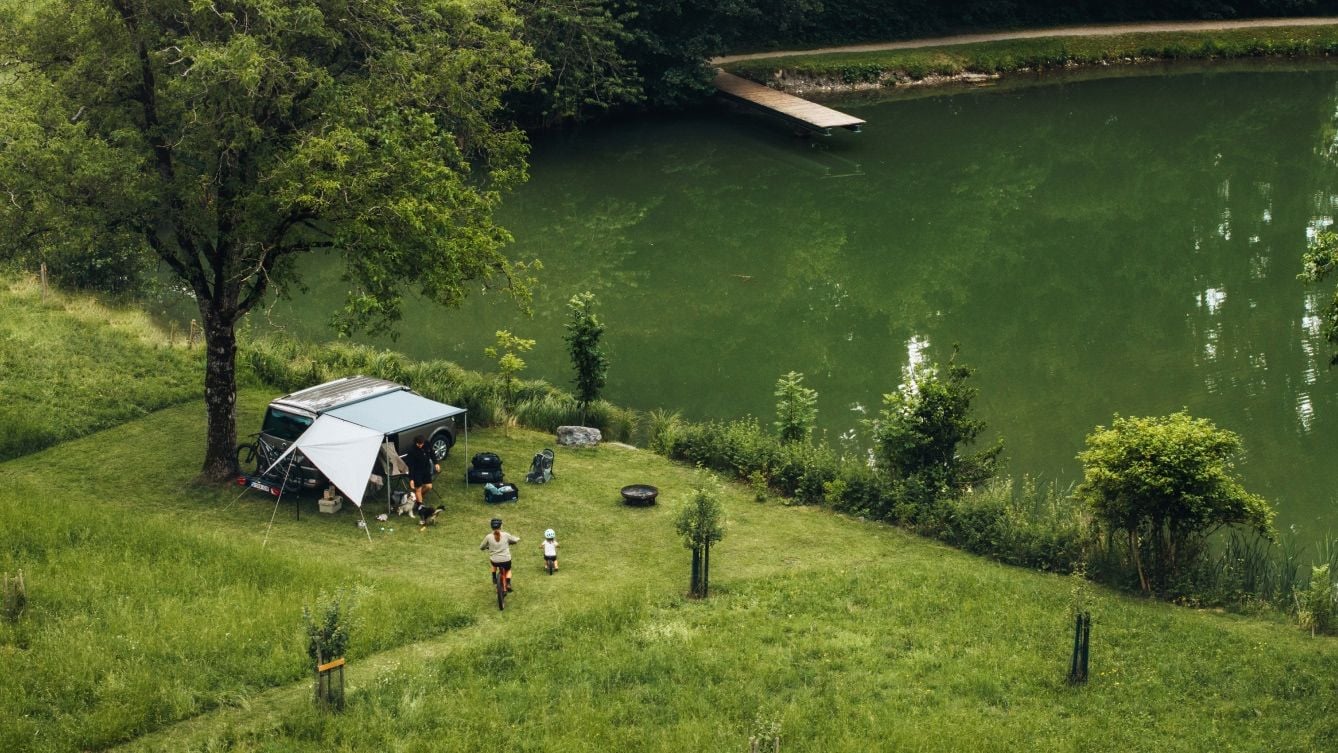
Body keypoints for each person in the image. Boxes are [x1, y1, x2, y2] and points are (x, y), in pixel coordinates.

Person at [480, 518, 519, 592]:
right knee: (508, 569)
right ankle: (508, 583)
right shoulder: (506, 535)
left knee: (493, 564)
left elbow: (481, 547)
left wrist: (487, 547)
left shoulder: (488, 537)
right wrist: (517, 539)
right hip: (506, 560)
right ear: (501, 526)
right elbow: (514, 540)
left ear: (491, 527)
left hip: (494, 561)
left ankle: (494, 577)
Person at [406, 434, 439, 506]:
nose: (420, 445)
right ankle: (420, 506)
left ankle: (416, 496)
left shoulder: (427, 444)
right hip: (417, 471)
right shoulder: (412, 451)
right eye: (418, 444)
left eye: (421, 444)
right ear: (415, 442)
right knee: (418, 488)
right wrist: (411, 479)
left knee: (429, 486)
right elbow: (411, 466)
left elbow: (432, 453)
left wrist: (436, 463)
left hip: (426, 469)